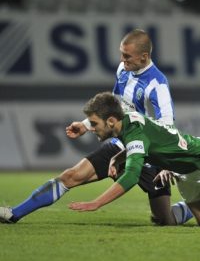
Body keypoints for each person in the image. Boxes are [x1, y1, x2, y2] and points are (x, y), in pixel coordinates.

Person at [0, 30, 192, 225]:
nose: (122, 60)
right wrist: (86, 124)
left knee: (164, 220)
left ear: (144, 57)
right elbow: (115, 105)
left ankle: (188, 208)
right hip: (121, 143)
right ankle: (13, 213)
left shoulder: (157, 84)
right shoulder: (123, 70)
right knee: (71, 176)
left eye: (127, 56)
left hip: (148, 153)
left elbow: (167, 125)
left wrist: (166, 164)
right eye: (121, 54)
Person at [68, 92, 200, 225]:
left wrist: (96, 203)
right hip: (187, 172)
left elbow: (131, 176)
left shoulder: (134, 133)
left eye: (94, 124)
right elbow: (142, 144)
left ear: (111, 121)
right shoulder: (125, 121)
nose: (92, 128)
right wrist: (116, 159)